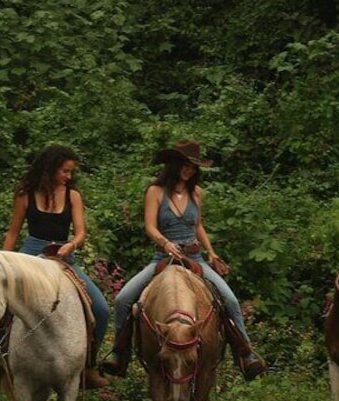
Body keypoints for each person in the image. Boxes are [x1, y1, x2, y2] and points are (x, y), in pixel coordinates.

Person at [101, 140, 266, 381]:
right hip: (163, 257)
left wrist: (211, 253)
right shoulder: (155, 192)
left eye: (193, 167)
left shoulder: (196, 193)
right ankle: (118, 353)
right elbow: (149, 226)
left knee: (229, 299)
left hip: (194, 257)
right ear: (174, 165)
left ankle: (246, 354)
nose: (189, 171)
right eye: (185, 165)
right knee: (124, 298)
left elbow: (198, 226)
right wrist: (165, 243)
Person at [3, 144, 110, 389]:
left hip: (62, 255)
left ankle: (89, 366)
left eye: (71, 172)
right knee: (3, 304)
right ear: (50, 168)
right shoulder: (25, 194)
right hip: (30, 254)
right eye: (65, 171)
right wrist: (3, 263)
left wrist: (71, 245)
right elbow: (13, 233)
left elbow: (81, 233)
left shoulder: (73, 195)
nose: (68, 177)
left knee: (101, 309)